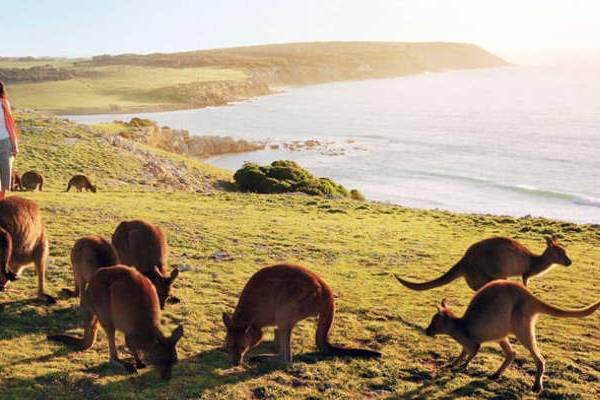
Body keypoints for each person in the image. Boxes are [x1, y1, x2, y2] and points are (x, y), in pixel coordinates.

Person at [0, 80, 19, 200]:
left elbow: (10, 125)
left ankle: (2, 204)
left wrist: (15, 145)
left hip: (5, 141)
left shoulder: (4, 103)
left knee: (6, 173)